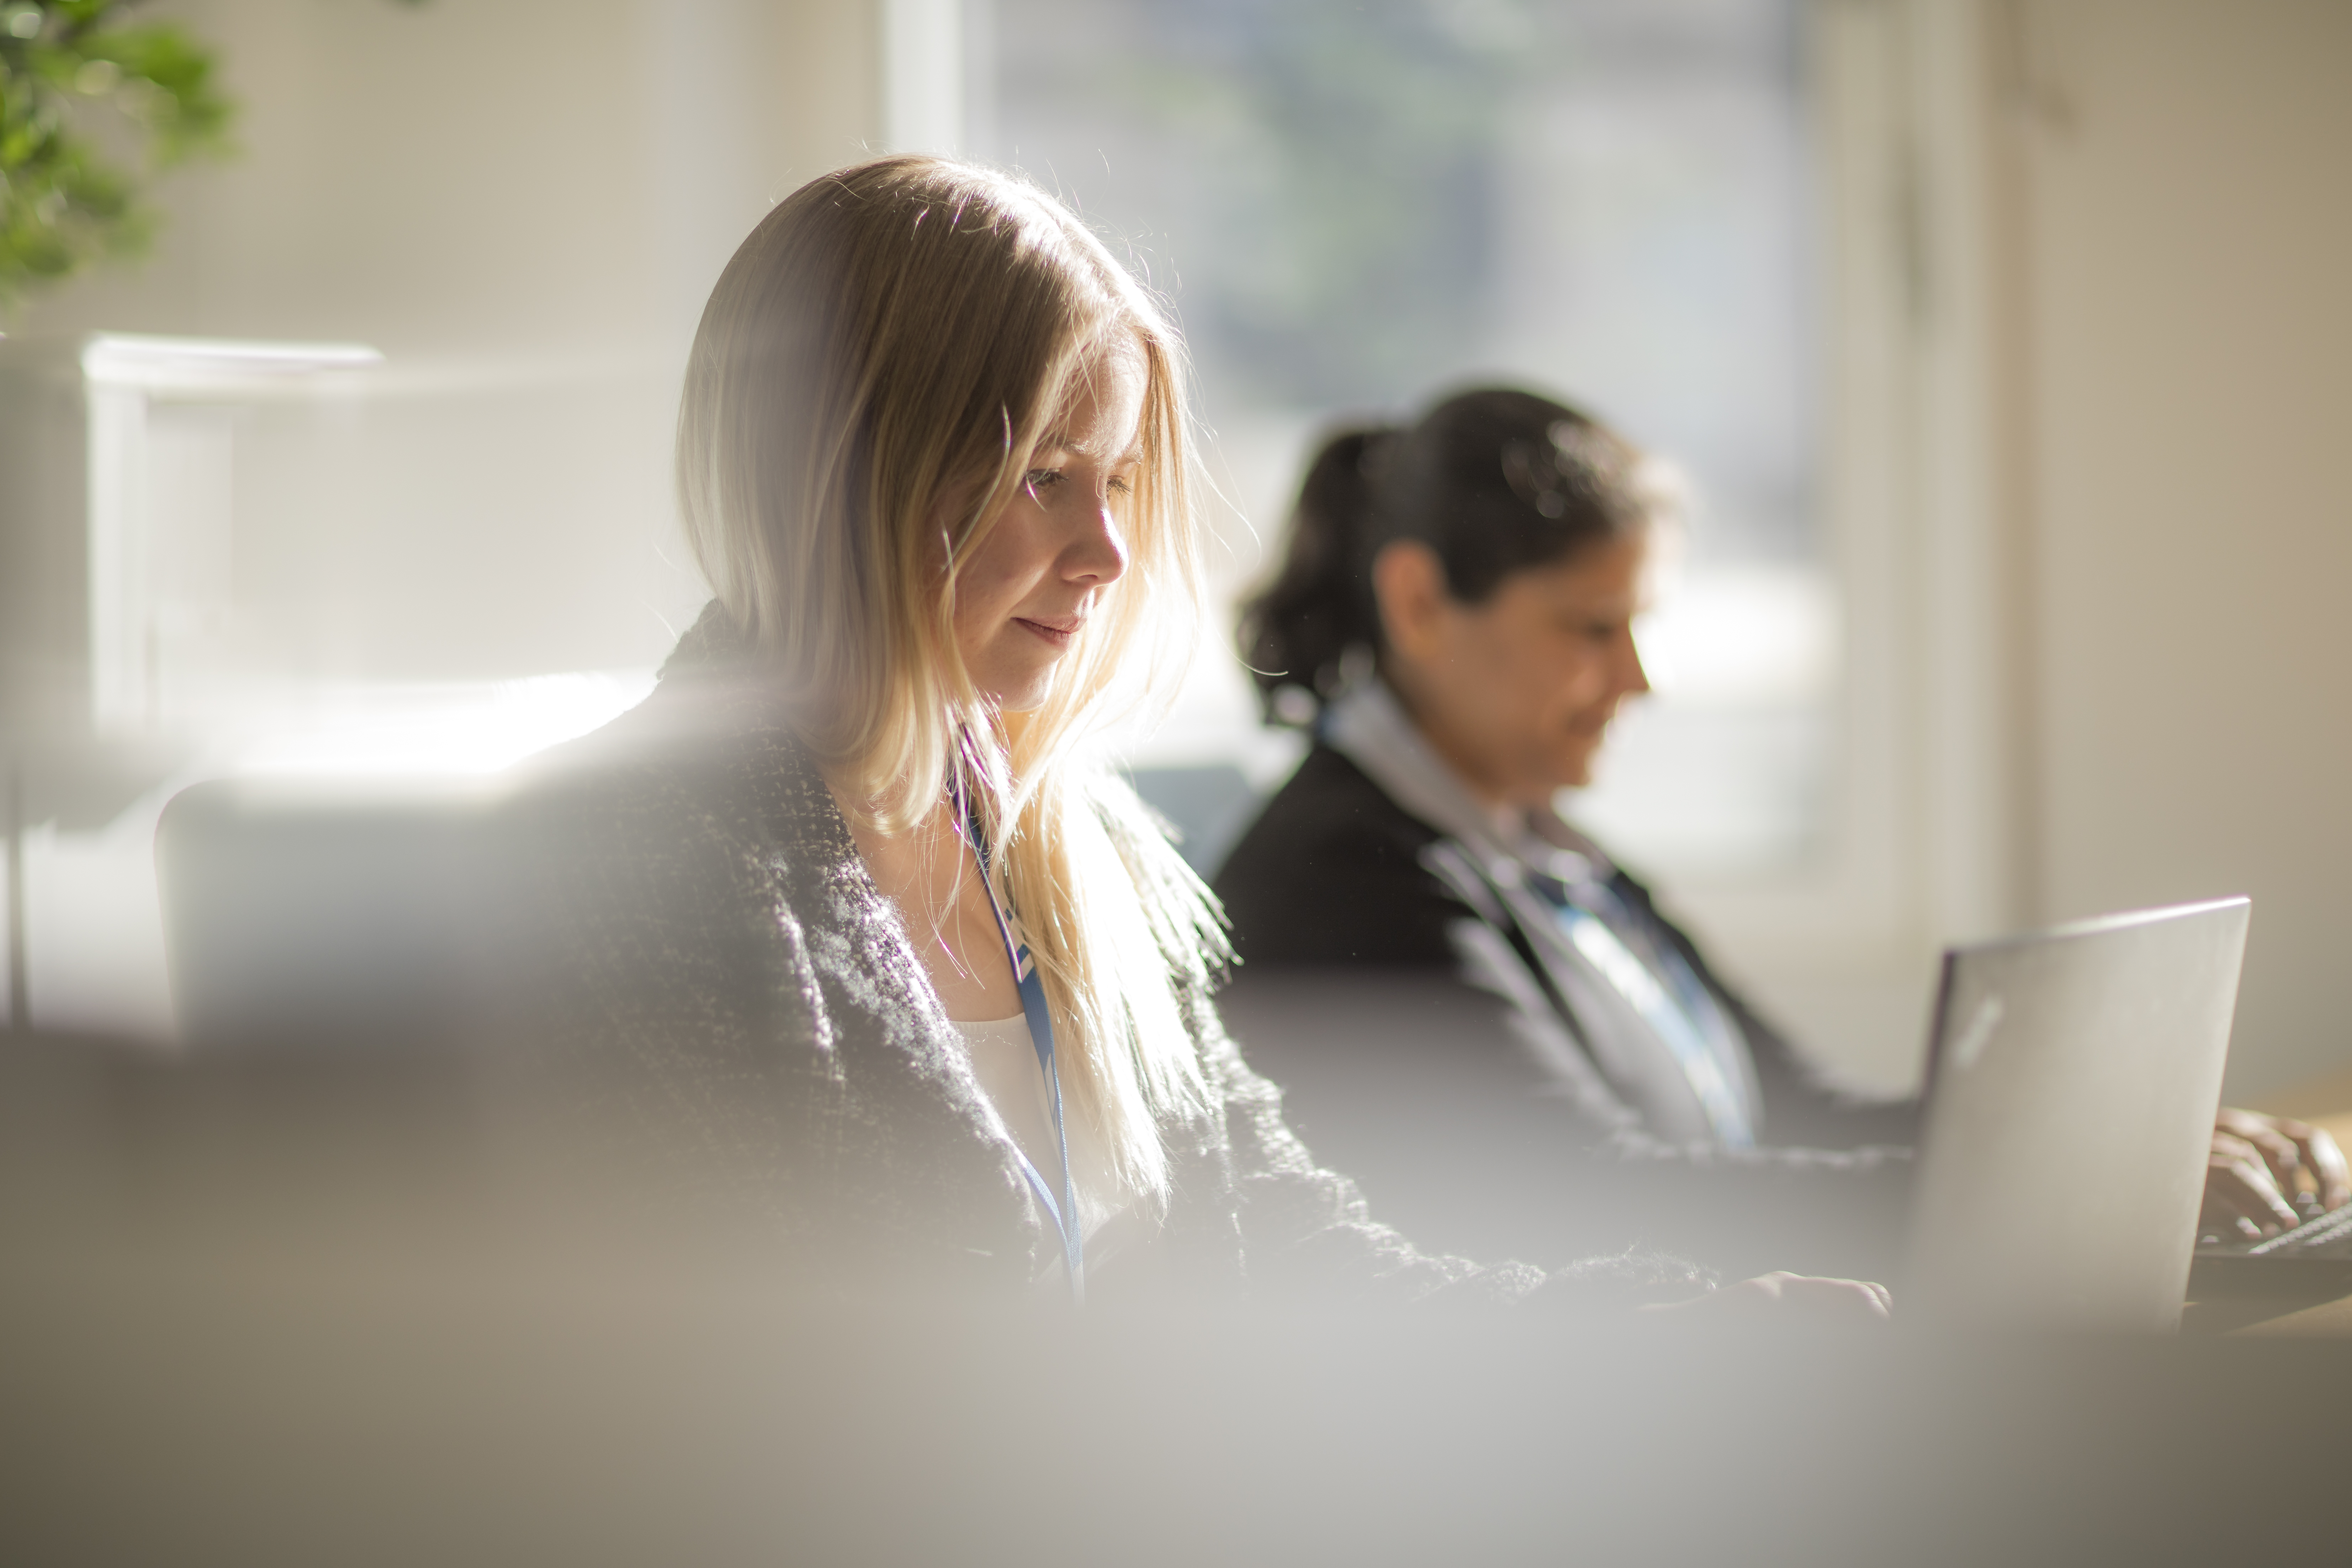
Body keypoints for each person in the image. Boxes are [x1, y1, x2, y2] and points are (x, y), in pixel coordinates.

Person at [501, 158, 1883, 1318]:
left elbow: (1297, 1265)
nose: (1105, 551)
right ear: (844, 472)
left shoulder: (1082, 850)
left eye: (1114, 483)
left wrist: (1685, 1327)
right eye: (1044, 476)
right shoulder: (635, 858)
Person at [1213, 387, 2347, 1281]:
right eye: (1590, 628)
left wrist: (2122, 1141)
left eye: (1638, 627)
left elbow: (1797, 1111)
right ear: (1416, 601)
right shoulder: (1340, 878)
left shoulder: (1543, 853)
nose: (1636, 680)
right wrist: (2066, 1181)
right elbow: (1579, 1201)